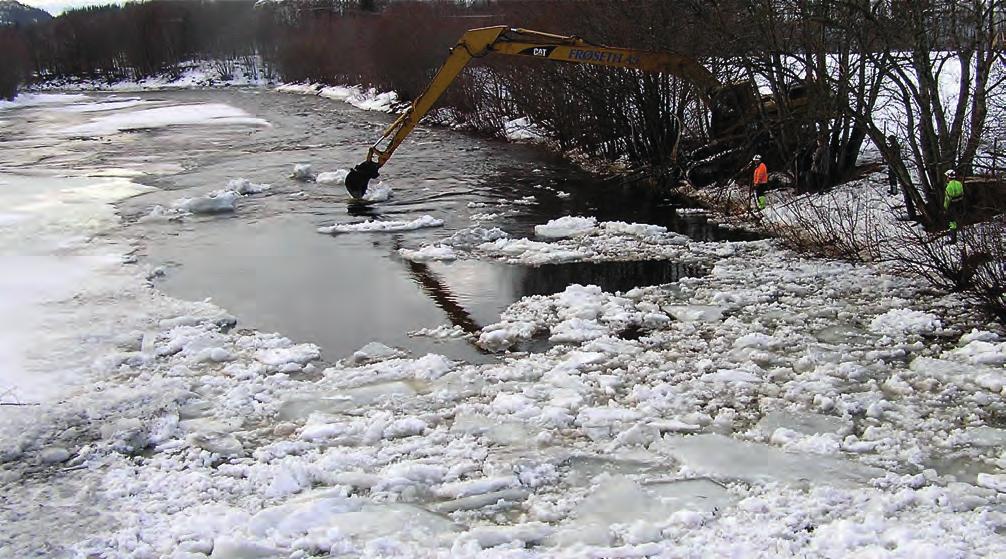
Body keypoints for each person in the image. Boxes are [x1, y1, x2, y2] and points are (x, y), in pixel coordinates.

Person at [944, 169, 964, 243]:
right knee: (958, 219)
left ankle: (953, 239)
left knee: (952, 222)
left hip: (952, 206)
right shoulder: (959, 184)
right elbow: (962, 194)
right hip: (960, 204)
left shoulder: (948, 187)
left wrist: (945, 208)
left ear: (949, 177)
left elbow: (947, 199)